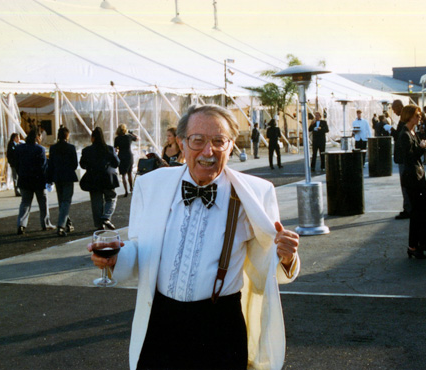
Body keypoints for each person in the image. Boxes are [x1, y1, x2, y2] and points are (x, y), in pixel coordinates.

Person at [89, 104, 300, 370]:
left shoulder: (256, 194)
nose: (208, 151)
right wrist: (116, 259)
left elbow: (265, 267)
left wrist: (287, 256)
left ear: (231, 145)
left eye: (218, 141)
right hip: (162, 320)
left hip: (220, 326)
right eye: (197, 140)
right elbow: (142, 250)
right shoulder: (151, 185)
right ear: (181, 143)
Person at [397, 104, 426, 259]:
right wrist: (421, 147)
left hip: (417, 176)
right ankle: (413, 246)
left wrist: (422, 145)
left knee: (425, 209)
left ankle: (422, 243)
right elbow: (408, 157)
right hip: (412, 178)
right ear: (409, 116)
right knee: (419, 211)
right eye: (417, 115)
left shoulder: (413, 132)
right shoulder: (405, 134)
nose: (419, 118)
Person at [16, 126, 55, 235]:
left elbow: (16, 163)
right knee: (43, 203)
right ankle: (45, 224)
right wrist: (48, 180)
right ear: (37, 137)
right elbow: (43, 167)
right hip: (38, 181)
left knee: (25, 203)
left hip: (24, 180)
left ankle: (21, 224)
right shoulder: (40, 149)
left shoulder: (20, 148)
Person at [80, 127, 120, 231]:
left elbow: (83, 165)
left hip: (93, 178)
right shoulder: (109, 149)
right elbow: (116, 163)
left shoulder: (86, 150)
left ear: (92, 138)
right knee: (111, 198)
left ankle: (99, 225)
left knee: (96, 202)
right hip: (108, 178)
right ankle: (106, 217)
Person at [48, 127, 78, 237]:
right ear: (67, 136)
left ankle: (68, 223)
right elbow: (75, 164)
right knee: (66, 201)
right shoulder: (71, 148)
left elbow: (50, 164)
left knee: (62, 201)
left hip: (57, 177)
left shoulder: (53, 148)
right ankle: (61, 226)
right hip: (68, 176)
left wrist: (50, 178)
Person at [391, 100, 411, 219]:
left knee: (405, 184)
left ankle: (407, 209)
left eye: (394, 109)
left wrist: (392, 131)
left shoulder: (403, 120)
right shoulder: (406, 118)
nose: (394, 112)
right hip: (406, 157)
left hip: (403, 157)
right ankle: (408, 207)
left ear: (399, 107)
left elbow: (400, 137)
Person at [114, 124, 138, 197]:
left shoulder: (117, 139)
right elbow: (137, 138)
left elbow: (115, 149)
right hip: (129, 155)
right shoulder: (129, 137)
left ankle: (126, 191)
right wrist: (131, 133)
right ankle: (131, 188)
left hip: (121, 156)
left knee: (123, 175)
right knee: (129, 173)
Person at [6, 132, 21, 196]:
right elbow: (10, 154)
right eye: (17, 137)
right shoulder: (11, 145)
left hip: (19, 163)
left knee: (19, 177)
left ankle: (20, 189)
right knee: (15, 177)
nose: (18, 139)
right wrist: (11, 162)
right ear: (14, 138)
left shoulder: (19, 145)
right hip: (14, 164)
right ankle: (16, 190)